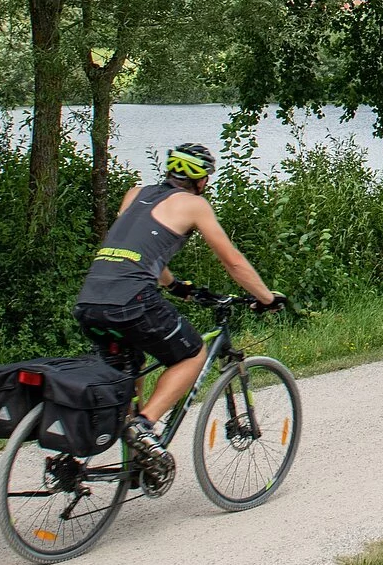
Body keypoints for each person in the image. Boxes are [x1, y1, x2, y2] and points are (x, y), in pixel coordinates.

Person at [72, 142, 285, 492]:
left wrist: (177, 287)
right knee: (192, 354)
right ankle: (144, 426)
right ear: (200, 179)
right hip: (132, 300)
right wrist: (266, 297)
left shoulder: (135, 194)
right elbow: (232, 261)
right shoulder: (195, 205)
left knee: (128, 373)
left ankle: (126, 459)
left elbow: (137, 253)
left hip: (93, 298)